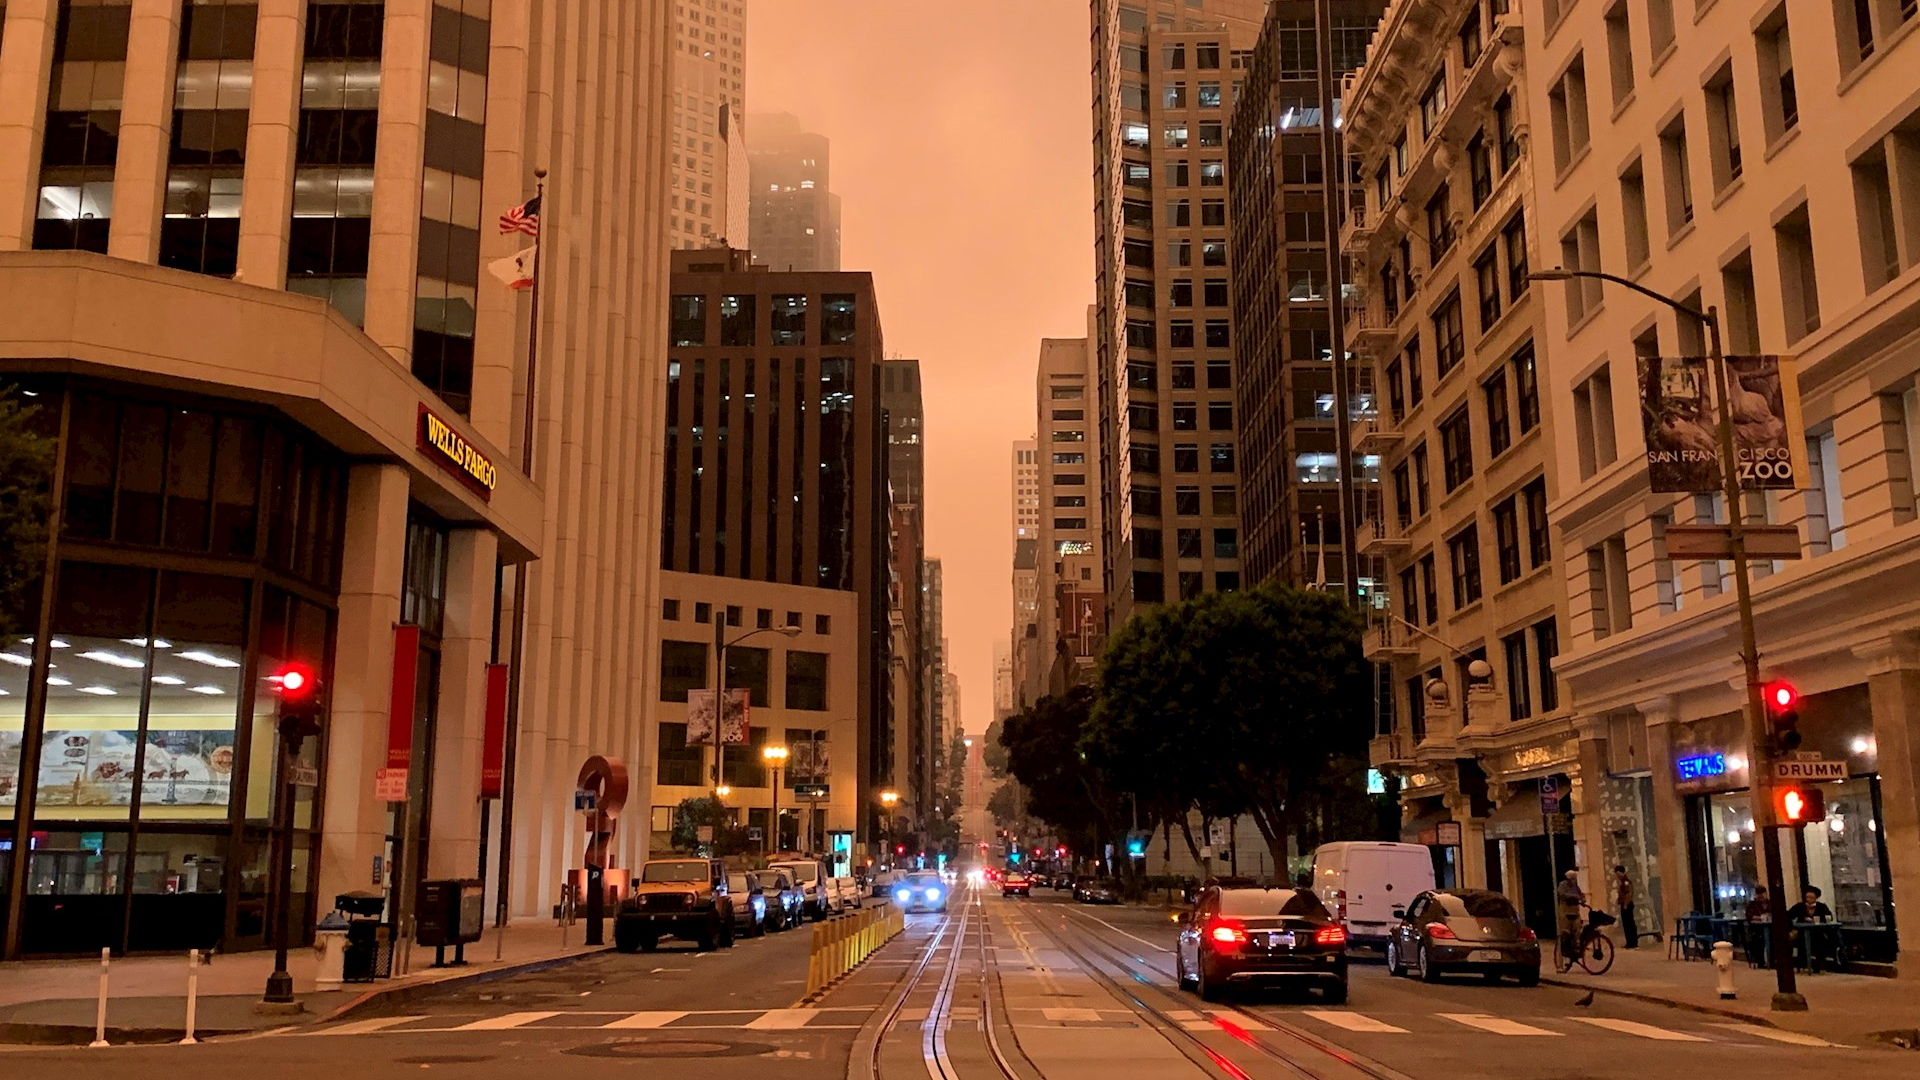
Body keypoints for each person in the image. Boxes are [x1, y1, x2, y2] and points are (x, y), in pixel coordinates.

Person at [1786, 886, 1837, 972]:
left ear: (1816, 898)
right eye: (1807, 897)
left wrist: (1816, 920)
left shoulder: (1821, 906)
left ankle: (1818, 965)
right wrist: (1792, 927)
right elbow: (1788, 916)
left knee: (1820, 941)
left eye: (1812, 897)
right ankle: (1802, 964)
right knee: (1801, 941)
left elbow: (1829, 917)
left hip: (1817, 932)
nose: (1809, 899)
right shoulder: (1799, 906)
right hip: (1801, 932)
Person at [1556, 870, 1587, 958]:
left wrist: (1582, 898)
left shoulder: (1575, 886)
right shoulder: (1562, 885)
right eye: (1572, 878)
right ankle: (1565, 949)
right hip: (1565, 911)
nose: (1573, 880)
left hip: (1574, 911)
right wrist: (1574, 896)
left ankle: (1576, 948)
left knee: (1577, 929)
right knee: (1565, 931)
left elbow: (1580, 894)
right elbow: (1562, 894)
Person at [1613, 865, 1638, 948]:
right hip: (1624, 904)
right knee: (1627, 924)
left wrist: (1625, 905)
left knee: (1629, 924)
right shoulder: (1623, 881)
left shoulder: (1625, 881)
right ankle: (1630, 942)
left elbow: (1628, 894)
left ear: (1621, 872)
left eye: (1617, 873)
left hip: (1627, 905)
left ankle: (1632, 942)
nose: (1617, 876)